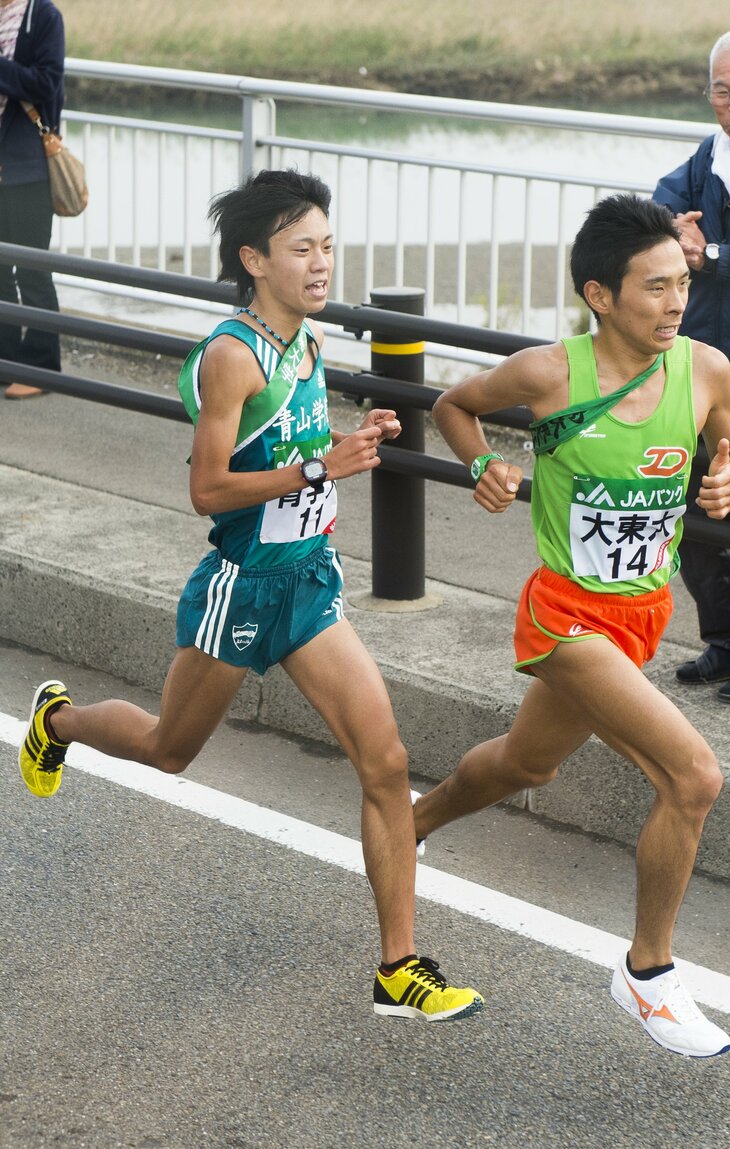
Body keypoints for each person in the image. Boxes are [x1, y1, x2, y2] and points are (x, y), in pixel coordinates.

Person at [18, 169, 483, 1024]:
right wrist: (318, 468)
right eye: (301, 248)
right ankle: (59, 722)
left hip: (307, 582)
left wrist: (345, 441)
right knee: (168, 747)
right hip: (239, 584)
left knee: (384, 763)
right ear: (254, 259)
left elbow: (298, 442)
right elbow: (207, 488)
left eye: (328, 247)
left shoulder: (306, 342)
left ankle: (398, 965)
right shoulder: (232, 355)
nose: (320, 263)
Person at [414, 194, 730, 1058]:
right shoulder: (548, 374)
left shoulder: (705, 367)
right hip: (563, 615)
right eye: (653, 288)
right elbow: (453, 405)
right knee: (693, 776)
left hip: (640, 615)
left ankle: (404, 825)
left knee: (525, 763)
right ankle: (647, 974)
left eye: (680, 283)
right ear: (599, 296)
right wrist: (484, 463)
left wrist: (729, 476)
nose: (674, 302)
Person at [653, 26, 730, 704]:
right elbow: (657, 207)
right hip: (699, 379)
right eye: (720, 90)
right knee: (691, 523)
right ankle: (724, 642)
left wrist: (713, 255)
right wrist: (672, 230)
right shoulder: (709, 156)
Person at [0, 0, 64, 399]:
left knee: (32, 267)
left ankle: (41, 368)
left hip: (26, 166)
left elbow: (46, 83)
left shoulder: (43, 16)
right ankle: (6, 361)